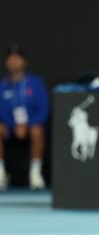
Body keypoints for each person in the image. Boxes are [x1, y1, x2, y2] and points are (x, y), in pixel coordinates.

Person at [0, 45, 48, 190]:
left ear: (24, 61)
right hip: (10, 127)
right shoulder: (2, 85)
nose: (14, 62)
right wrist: (12, 125)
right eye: (11, 59)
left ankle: (35, 173)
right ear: (6, 62)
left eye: (17, 58)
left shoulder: (36, 82)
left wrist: (28, 124)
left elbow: (44, 108)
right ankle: (0, 174)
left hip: (32, 126)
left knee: (37, 130)